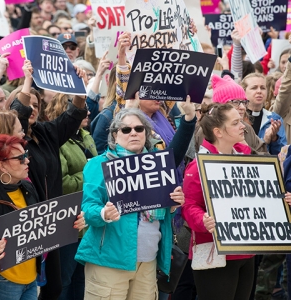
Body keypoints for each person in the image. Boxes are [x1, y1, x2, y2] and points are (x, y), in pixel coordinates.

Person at [76, 101, 197, 299]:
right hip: (109, 262)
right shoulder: (99, 164)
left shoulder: (158, 164)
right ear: (115, 135)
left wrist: (173, 204)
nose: (133, 133)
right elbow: (88, 209)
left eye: (139, 128)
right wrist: (104, 213)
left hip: (148, 262)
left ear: (146, 133)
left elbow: (162, 209)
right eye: (126, 129)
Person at [6, 60, 87, 300]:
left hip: (52, 221)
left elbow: (73, 116)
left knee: (54, 287)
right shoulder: (11, 142)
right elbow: (18, 115)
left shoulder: (45, 132)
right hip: (28, 224)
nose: (31, 109)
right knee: (29, 286)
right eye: (27, 104)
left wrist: (78, 88)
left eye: (35, 105)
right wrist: (28, 80)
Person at [182, 102, 255, 300]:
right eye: (236, 123)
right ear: (218, 132)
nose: (243, 126)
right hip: (214, 253)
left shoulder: (247, 159)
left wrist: (279, 200)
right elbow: (189, 207)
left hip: (246, 251)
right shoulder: (199, 166)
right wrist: (203, 220)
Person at [45, 93, 97, 300]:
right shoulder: (57, 141)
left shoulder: (85, 135)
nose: (89, 112)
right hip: (67, 222)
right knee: (64, 281)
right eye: (82, 108)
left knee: (81, 280)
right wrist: (92, 177)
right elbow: (63, 183)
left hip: (88, 221)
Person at [0, 134, 38, 299]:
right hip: (4, 280)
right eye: (20, 158)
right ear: (2, 166)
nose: (27, 161)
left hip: (32, 278)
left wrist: (72, 222)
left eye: (26, 155)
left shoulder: (27, 186)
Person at [241, 72, 287, 155]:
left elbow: (281, 155)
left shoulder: (274, 119)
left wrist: (274, 139)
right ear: (243, 91)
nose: (259, 91)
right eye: (254, 88)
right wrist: (264, 140)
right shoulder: (238, 118)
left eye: (262, 88)